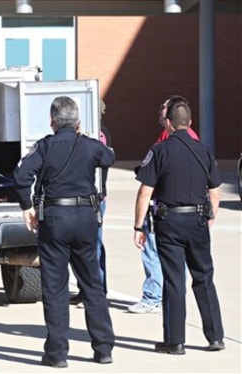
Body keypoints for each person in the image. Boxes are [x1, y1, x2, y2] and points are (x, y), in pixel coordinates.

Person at [13, 96, 115, 368]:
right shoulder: (90, 145)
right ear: (78, 122)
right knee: (92, 284)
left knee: (56, 289)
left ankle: (57, 354)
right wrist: (85, 138)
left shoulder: (45, 146)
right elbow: (110, 156)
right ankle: (103, 348)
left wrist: (27, 207)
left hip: (55, 220)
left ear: (52, 121)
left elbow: (21, 176)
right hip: (85, 219)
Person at [133, 97, 224, 354]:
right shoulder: (203, 151)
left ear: (169, 123)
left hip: (169, 221)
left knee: (174, 280)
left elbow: (145, 192)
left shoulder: (159, 151)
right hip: (197, 220)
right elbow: (215, 191)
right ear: (190, 122)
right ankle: (215, 336)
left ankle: (175, 341)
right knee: (204, 277)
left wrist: (139, 227)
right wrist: (209, 218)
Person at [128, 96, 199, 314]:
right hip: (183, 209)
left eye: (163, 109)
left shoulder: (176, 139)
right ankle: (167, 296)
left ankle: (153, 297)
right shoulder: (180, 138)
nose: (160, 113)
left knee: (152, 250)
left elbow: (147, 187)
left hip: (166, 206)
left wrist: (138, 225)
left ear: (171, 117)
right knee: (176, 257)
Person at [70, 99, 111, 305]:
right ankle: (85, 289)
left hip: (95, 199)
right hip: (91, 199)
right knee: (87, 246)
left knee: (93, 246)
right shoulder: (92, 134)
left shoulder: (99, 135)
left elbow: (104, 158)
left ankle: (97, 290)